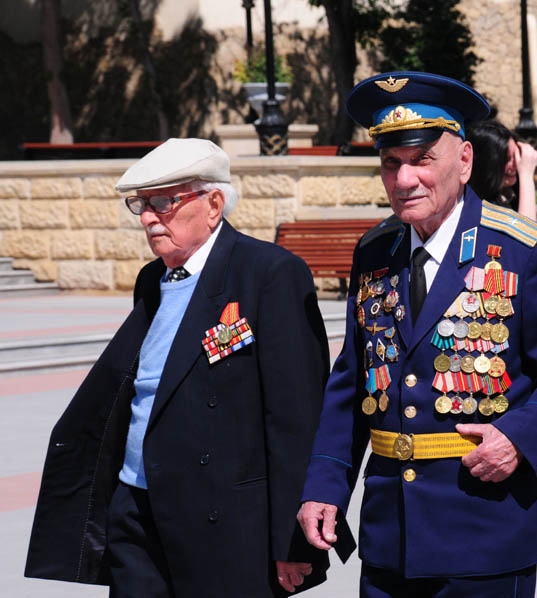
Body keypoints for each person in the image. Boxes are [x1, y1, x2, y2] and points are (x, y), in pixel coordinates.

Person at [298, 71, 537, 597]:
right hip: (390, 532)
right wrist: (326, 484)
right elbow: (353, 381)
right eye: (391, 164)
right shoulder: (375, 254)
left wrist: (521, 436)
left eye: (422, 160)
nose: (404, 180)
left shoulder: (521, 249)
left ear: (464, 160)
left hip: (484, 527)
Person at [24, 138, 332, 597]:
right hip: (136, 509)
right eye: (142, 204)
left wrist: (291, 541)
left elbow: (296, 418)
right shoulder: (153, 278)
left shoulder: (268, 272)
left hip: (223, 522)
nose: (149, 218)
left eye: (165, 202)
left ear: (213, 204)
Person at [467, 119, 537, 220]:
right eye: (507, 158)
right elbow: (528, 233)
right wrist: (526, 176)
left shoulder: (509, 197)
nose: (516, 164)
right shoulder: (476, 209)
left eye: (516, 155)